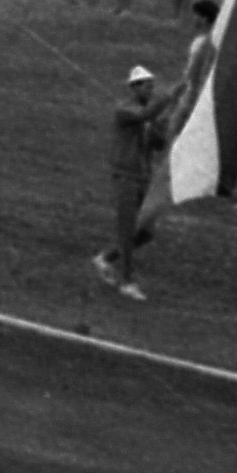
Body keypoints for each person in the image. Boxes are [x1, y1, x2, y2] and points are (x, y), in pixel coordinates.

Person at [98, 65, 157, 298]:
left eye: (152, 86)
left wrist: (160, 129)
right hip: (126, 177)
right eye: (146, 86)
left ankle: (106, 258)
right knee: (127, 230)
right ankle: (127, 281)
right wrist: (170, 99)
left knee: (146, 232)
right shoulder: (124, 110)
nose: (150, 90)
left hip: (143, 177)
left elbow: (158, 144)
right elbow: (143, 116)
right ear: (134, 88)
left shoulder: (148, 115)